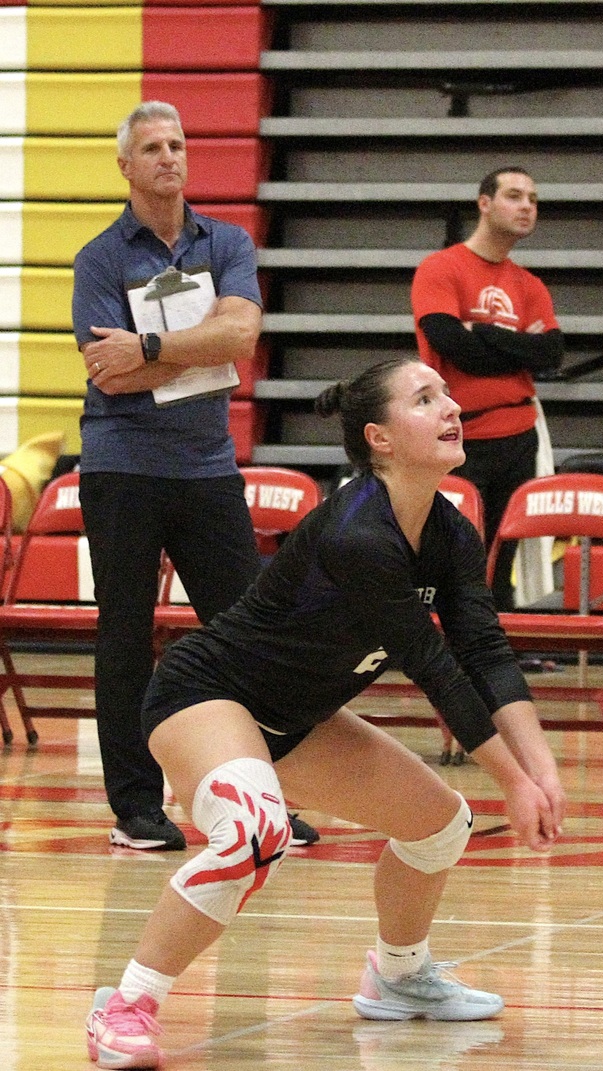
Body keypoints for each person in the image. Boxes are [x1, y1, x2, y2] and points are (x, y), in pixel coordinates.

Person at [84, 357, 566, 1070]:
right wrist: (513, 782)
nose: (450, 408)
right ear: (380, 437)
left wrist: (541, 766)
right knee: (254, 835)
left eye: (447, 395)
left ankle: (399, 976)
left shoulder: (451, 533)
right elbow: (433, 666)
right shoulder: (356, 533)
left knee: (438, 826)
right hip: (206, 695)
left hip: (296, 716)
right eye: (425, 398)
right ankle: (125, 1002)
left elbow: (486, 652)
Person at [71, 101, 320, 852]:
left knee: (247, 634)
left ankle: (272, 794)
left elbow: (242, 336)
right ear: (126, 165)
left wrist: (150, 342)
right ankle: (137, 809)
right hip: (122, 465)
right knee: (124, 634)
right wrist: (195, 344)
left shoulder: (229, 241)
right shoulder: (101, 257)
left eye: (178, 143)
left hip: (208, 468)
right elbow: (108, 375)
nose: (168, 158)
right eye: (151, 148)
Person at [411, 167, 563, 610]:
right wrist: (518, 347)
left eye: (533, 199)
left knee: (502, 554)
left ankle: (496, 644)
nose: (526, 207)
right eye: (514, 196)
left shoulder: (528, 284)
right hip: (460, 437)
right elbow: (454, 347)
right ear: (484, 204)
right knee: (455, 552)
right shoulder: (440, 269)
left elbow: (551, 353)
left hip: (518, 434)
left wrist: (484, 330)